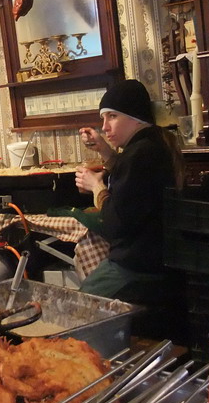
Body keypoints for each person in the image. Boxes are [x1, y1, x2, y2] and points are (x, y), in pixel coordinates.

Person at [74, 79, 183, 301]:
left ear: (136, 118)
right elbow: (133, 184)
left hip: (137, 266)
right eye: (103, 118)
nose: (105, 127)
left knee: (80, 306)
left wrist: (96, 187)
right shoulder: (152, 145)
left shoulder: (140, 155)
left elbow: (115, 223)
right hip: (157, 259)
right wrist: (105, 151)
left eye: (112, 116)